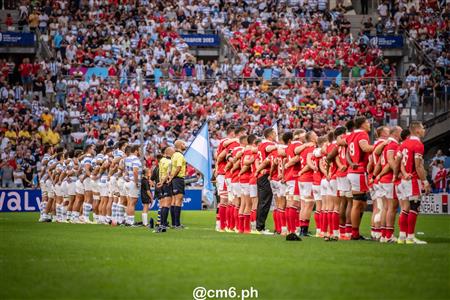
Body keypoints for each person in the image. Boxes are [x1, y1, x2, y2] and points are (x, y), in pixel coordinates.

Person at [397, 121, 430, 244]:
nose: (424, 130)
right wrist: (425, 181)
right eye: (422, 128)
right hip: (413, 179)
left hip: (404, 180)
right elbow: (418, 166)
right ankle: (410, 237)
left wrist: (400, 174)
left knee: (405, 209)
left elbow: (398, 161)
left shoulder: (403, 143)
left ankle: (401, 237)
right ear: (416, 130)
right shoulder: (418, 144)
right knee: (414, 207)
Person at [346, 116, 374, 240]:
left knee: (360, 202)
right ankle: (354, 233)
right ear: (362, 124)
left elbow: (347, 150)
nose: (369, 124)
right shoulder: (362, 134)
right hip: (359, 172)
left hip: (353, 171)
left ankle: (354, 232)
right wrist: (381, 145)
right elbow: (365, 148)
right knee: (357, 203)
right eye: (367, 122)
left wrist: (351, 162)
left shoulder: (351, 135)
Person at [255, 127, 278, 234]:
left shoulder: (261, 145)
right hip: (264, 175)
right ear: (270, 135)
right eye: (274, 133)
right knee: (264, 202)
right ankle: (260, 227)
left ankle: (259, 226)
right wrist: (278, 146)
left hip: (261, 175)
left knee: (262, 201)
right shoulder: (267, 144)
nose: (276, 135)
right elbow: (268, 149)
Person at [169, 140, 187, 229]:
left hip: (173, 180)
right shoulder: (179, 155)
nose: (185, 145)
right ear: (180, 145)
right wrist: (172, 177)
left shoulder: (173, 156)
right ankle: (177, 224)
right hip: (178, 179)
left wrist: (170, 177)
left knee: (173, 201)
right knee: (178, 200)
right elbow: (179, 167)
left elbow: (171, 167)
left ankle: (173, 223)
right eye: (183, 144)